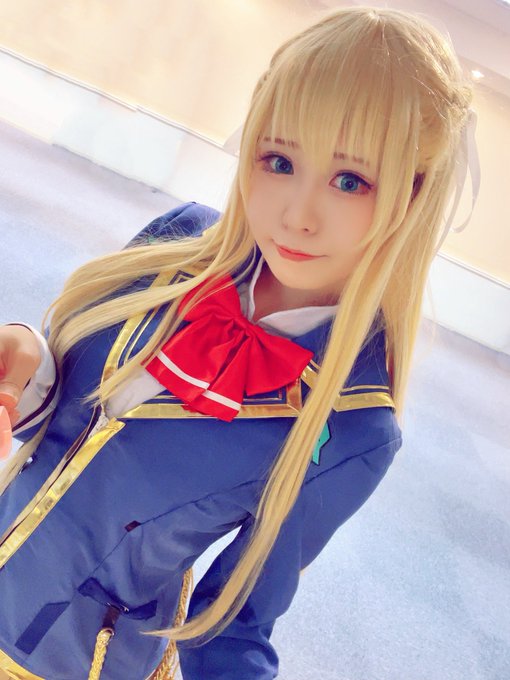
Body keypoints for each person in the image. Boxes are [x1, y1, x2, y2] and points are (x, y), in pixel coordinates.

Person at [0, 5, 474, 680]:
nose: (296, 215)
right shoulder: (175, 241)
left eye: (350, 180)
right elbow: (70, 424)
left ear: (413, 195)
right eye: (279, 160)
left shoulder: (355, 426)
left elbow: (232, 625)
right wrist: (28, 360)